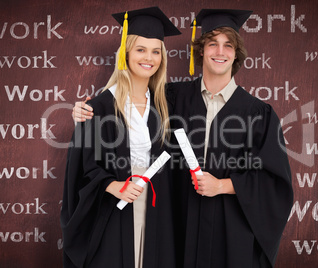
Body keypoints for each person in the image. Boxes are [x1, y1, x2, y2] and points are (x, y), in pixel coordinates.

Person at [73, 8, 293, 268]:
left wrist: (222, 185)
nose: (220, 52)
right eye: (212, 44)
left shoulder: (259, 113)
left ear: (236, 54)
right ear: (200, 50)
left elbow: (274, 183)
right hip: (177, 229)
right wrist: (88, 109)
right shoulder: (171, 98)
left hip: (231, 233)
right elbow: (130, 97)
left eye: (228, 45)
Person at [61, 7, 181, 268]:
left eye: (155, 51)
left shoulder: (165, 104)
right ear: (125, 53)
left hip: (156, 208)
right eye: (140, 49)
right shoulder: (99, 106)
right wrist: (111, 185)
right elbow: (82, 166)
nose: (149, 58)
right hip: (115, 209)